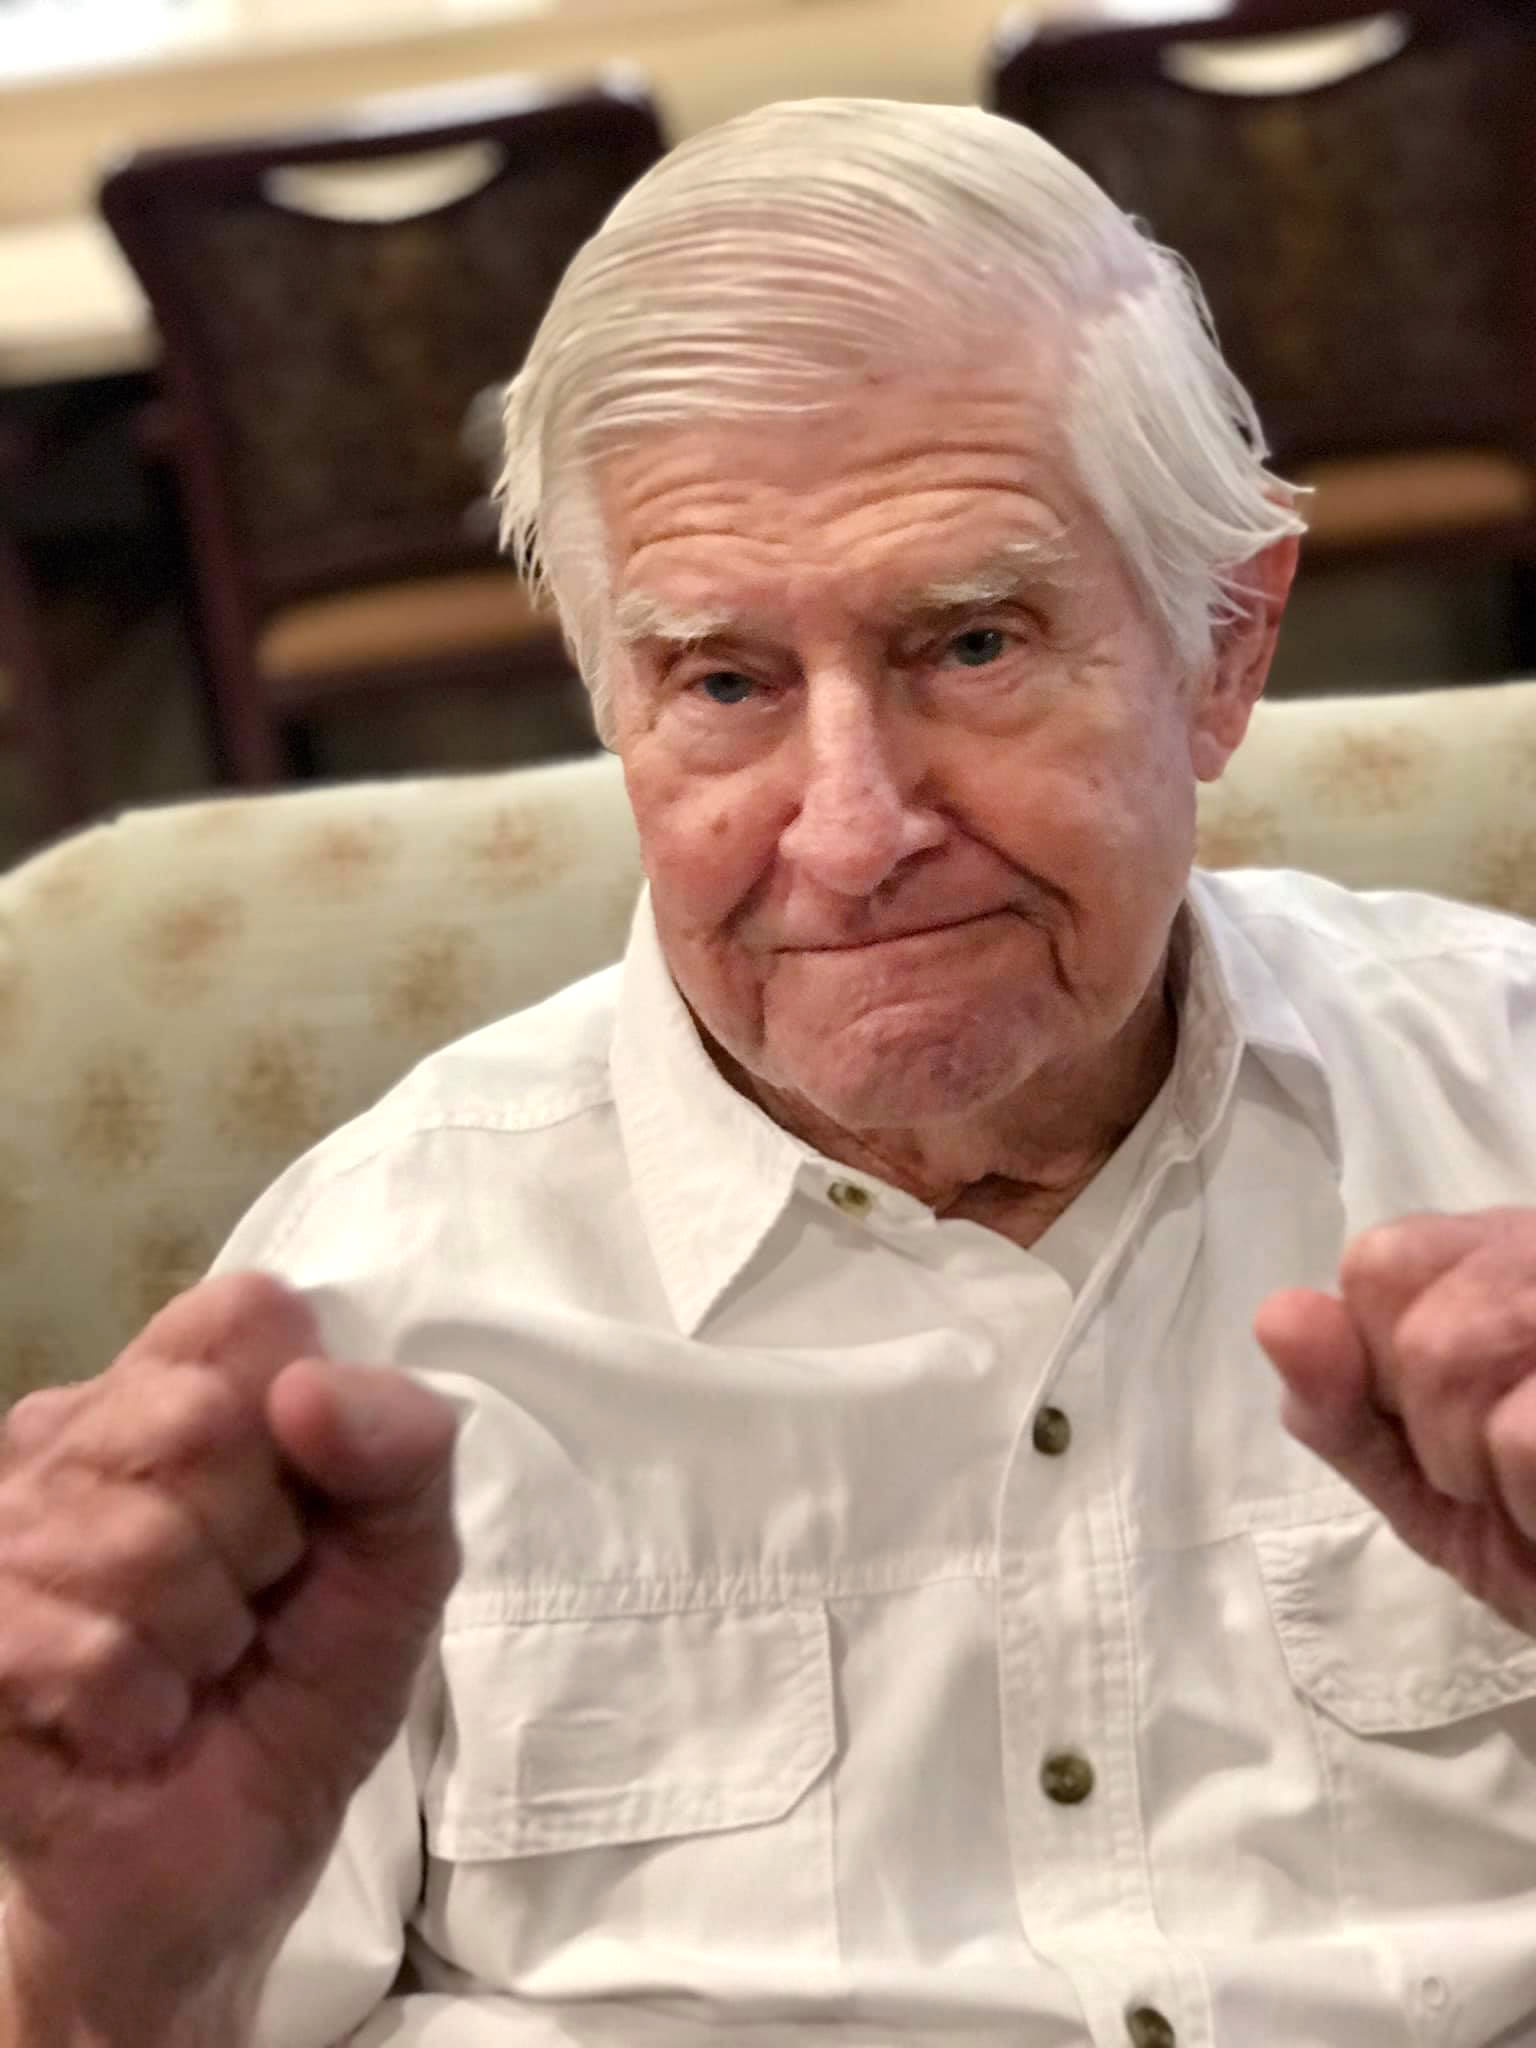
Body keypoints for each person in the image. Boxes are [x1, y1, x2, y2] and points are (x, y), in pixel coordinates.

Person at [3, 96, 1536, 2048]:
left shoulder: (1506, 1106)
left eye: (971, 642)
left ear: (1223, 652)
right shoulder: (360, 1322)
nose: (850, 830)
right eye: (722, 682)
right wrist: (105, 1976)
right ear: (611, 708)